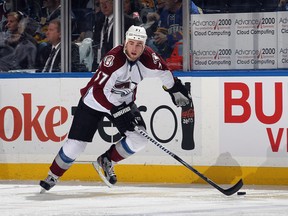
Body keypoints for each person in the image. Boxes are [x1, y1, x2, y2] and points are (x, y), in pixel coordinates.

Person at [39, 25, 191, 192]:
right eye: (131, 43)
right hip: (94, 102)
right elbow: (98, 91)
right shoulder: (114, 59)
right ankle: (53, 174)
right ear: (125, 42)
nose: (135, 48)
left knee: (139, 139)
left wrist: (174, 88)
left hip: (123, 102)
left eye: (139, 44)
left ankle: (107, 160)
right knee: (76, 145)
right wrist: (114, 110)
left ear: (144, 46)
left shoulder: (150, 58)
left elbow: (165, 73)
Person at [91, 0, 141, 71]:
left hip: (119, 67)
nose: (104, 6)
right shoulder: (99, 21)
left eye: (107, 2)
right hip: (100, 66)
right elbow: (96, 43)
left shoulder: (126, 21)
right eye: (101, 3)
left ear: (115, 3)